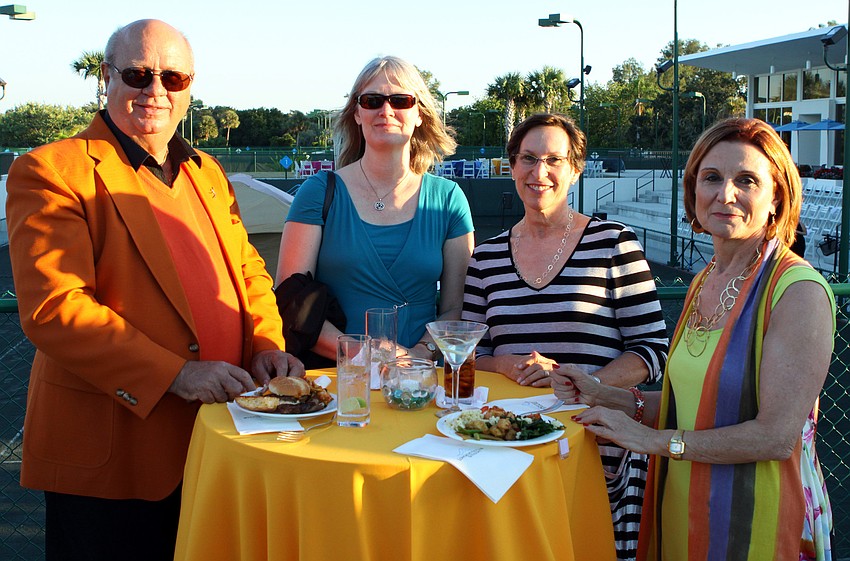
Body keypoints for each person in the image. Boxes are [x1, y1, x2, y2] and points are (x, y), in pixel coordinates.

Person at [5, 19, 304, 561]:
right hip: (113, 460)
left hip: (217, 443)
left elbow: (249, 272)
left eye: (173, 77)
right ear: (106, 78)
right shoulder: (50, 171)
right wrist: (178, 375)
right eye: (140, 75)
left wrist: (266, 346)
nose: (156, 92)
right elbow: (56, 308)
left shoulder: (207, 173)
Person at [558, 118, 833, 560]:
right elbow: (684, 406)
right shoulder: (704, 281)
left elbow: (775, 437)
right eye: (711, 178)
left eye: (746, 180)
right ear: (693, 190)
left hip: (754, 524)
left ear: (777, 197)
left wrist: (653, 442)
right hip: (680, 508)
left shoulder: (798, 291)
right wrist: (606, 395)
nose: (725, 194)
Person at [462, 113, 668, 560]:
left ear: (575, 169)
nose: (540, 173)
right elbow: (468, 351)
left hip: (599, 447)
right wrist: (503, 363)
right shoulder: (486, 258)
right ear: (512, 166)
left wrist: (589, 383)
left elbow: (653, 351)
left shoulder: (614, 242)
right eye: (528, 159)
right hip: (507, 448)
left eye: (555, 160)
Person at [277, 55, 474, 364]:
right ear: (357, 113)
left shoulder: (448, 198)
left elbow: (455, 307)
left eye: (400, 100)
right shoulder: (318, 191)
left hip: (417, 383)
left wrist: (418, 358)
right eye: (372, 100)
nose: (386, 111)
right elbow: (290, 300)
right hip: (337, 381)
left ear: (419, 114)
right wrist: (364, 356)